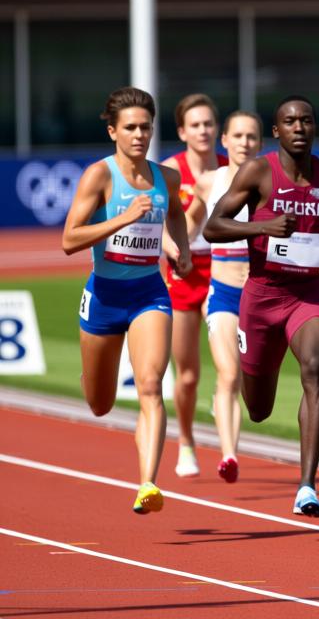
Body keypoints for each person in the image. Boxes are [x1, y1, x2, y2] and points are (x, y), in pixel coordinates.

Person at [203, 96, 319, 518]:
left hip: (308, 294)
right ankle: (255, 403)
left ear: (314, 127)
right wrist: (261, 225)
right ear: (276, 131)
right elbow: (212, 227)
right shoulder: (258, 172)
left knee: (314, 368)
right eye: (289, 121)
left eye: (306, 120)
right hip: (261, 297)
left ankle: (307, 486)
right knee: (258, 409)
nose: (299, 127)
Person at [61, 86, 192, 514]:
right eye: (131, 128)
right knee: (100, 404)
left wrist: (181, 249)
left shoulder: (166, 178)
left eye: (146, 127)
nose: (139, 135)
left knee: (151, 386)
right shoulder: (99, 177)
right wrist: (123, 218)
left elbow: (175, 214)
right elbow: (69, 240)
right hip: (104, 296)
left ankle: (147, 483)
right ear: (113, 132)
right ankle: (92, 377)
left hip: (148, 293)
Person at [188, 110, 263, 483]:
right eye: (238, 135)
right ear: (225, 140)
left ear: (260, 143)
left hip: (260, 296)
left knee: (253, 381)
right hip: (223, 292)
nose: (244, 143)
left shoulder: (270, 182)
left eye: (251, 136)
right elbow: (189, 221)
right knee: (228, 373)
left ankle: (229, 419)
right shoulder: (210, 181)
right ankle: (229, 454)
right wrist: (176, 246)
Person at [161, 93, 227, 480]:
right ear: (183, 131)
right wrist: (173, 250)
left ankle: (225, 397)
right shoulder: (171, 171)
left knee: (230, 361)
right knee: (187, 374)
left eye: (208, 123)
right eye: (195, 125)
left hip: (223, 269)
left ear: (217, 128)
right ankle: (186, 440)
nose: (203, 130)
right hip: (183, 273)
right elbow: (158, 225)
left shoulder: (230, 169)